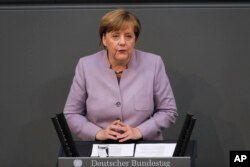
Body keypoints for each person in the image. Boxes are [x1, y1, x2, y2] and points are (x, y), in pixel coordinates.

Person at [63, 8, 177, 142]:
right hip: (101, 148)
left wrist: (138, 131)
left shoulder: (153, 63)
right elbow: (72, 113)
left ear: (135, 39)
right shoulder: (86, 65)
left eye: (128, 36)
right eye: (115, 36)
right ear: (104, 39)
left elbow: (168, 111)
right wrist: (99, 133)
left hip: (144, 146)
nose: (122, 42)